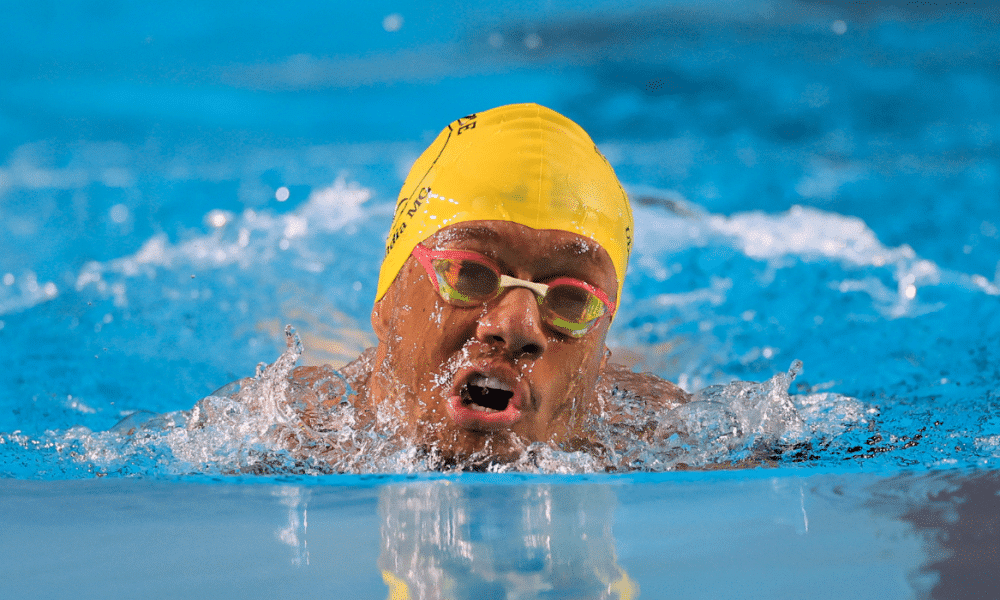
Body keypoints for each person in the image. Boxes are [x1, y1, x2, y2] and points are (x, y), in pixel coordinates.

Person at [206, 103, 689, 469]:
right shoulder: (280, 431)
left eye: (572, 298)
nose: (516, 326)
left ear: (599, 352)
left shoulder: (660, 439)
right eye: (469, 274)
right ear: (385, 300)